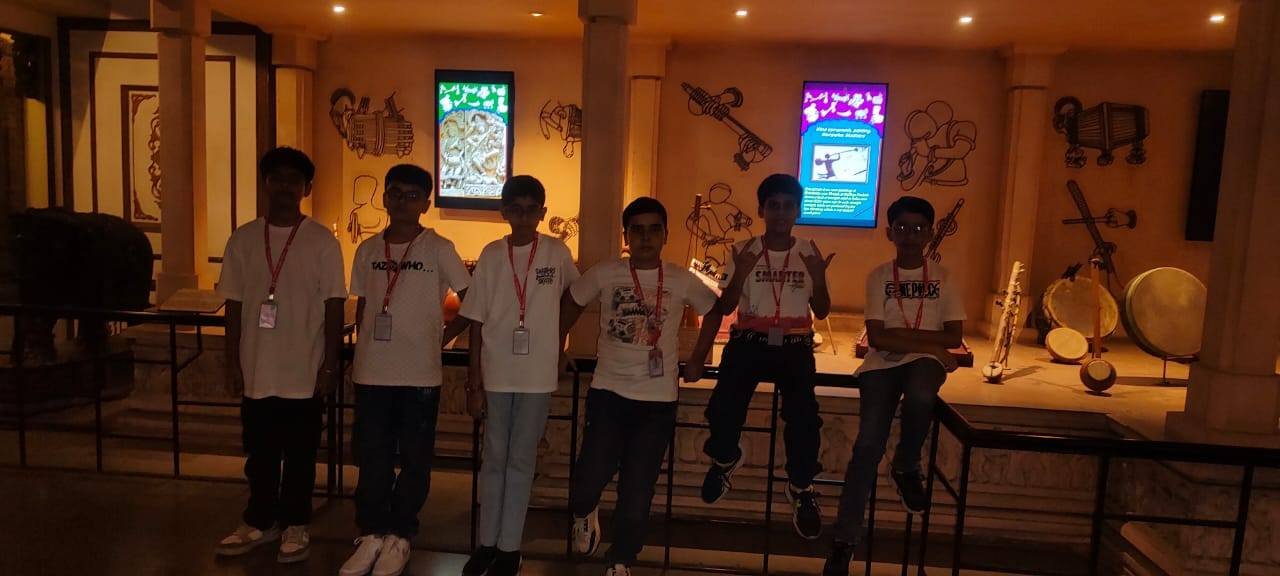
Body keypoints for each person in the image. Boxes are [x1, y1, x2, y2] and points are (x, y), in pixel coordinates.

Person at [563, 197, 724, 576]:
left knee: (637, 489)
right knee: (589, 477)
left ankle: (621, 559)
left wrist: (699, 357)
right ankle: (584, 513)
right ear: (626, 236)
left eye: (654, 230)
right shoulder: (607, 272)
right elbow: (570, 301)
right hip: (608, 393)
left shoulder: (680, 279)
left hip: (657, 401)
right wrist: (559, 346)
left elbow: (714, 309)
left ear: (666, 235)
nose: (646, 237)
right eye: (637, 230)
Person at [214, 147, 346, 564]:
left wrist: (330, 364)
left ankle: (295, 523)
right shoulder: (243, 238)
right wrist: (232, 361)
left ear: (306, 188)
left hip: (303, 368)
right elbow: (233, 304)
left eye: (294, 180)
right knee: (260, 453)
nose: (285, 187)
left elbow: (334, 304)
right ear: (265, 184)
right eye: (277, 179)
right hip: (257, 366)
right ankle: (260, 519)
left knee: (302, 453)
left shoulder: (321, 241)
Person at [339, 164, 472, 576]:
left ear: (425, 204)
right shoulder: (367, 249)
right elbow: (363, 304)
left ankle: (400, 534)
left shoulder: (439, 248)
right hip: (372, 372)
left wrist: (445, 335)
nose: (402, 201)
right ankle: (372, 533)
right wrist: (360, 353)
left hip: (419, 375)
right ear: (384, 198)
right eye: (395, 193)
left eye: (412, 196)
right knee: (372, 456)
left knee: (415, 459)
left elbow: (472, 298)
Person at [824, 196, 963, 575]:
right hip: (881, 365)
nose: (910, 235)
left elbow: (954, 335)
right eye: (902, 228)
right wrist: (931, 343)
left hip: (924, 364)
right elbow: (878, 338)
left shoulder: (945, 278)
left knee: (921, 396)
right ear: (890, 233)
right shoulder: (878, 276)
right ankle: (844, 541)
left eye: (918, 228)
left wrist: (915, 343)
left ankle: (906, 463)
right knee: (867, 446)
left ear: (930, 233)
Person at [700, 173, 834, 540]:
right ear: (761, 210)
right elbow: (726, 306)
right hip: (749, 340)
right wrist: (740, 274)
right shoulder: (742, 250)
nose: (781, 213)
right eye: (773, 205)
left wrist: (818, 279)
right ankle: (726, 459)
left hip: (795, 344)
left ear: (798, 211)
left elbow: (822, 310)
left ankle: (801, 487)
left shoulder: (808, 252)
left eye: (788, 206)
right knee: (723, 406)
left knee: (804, 415)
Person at [459, 176, 579, 576]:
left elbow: (575, 298)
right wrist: (473, 381)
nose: (524, 217)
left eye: (531, 210)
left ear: (542, 213)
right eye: (516, 209)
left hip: (537, 375)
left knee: (522, 460)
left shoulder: (557, 252)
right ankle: (486, 543)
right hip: (496, 372)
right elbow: (476, 320)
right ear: (504, 212)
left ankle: (510, 547)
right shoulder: (492, 254)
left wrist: (560, 343)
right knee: (494, 458)